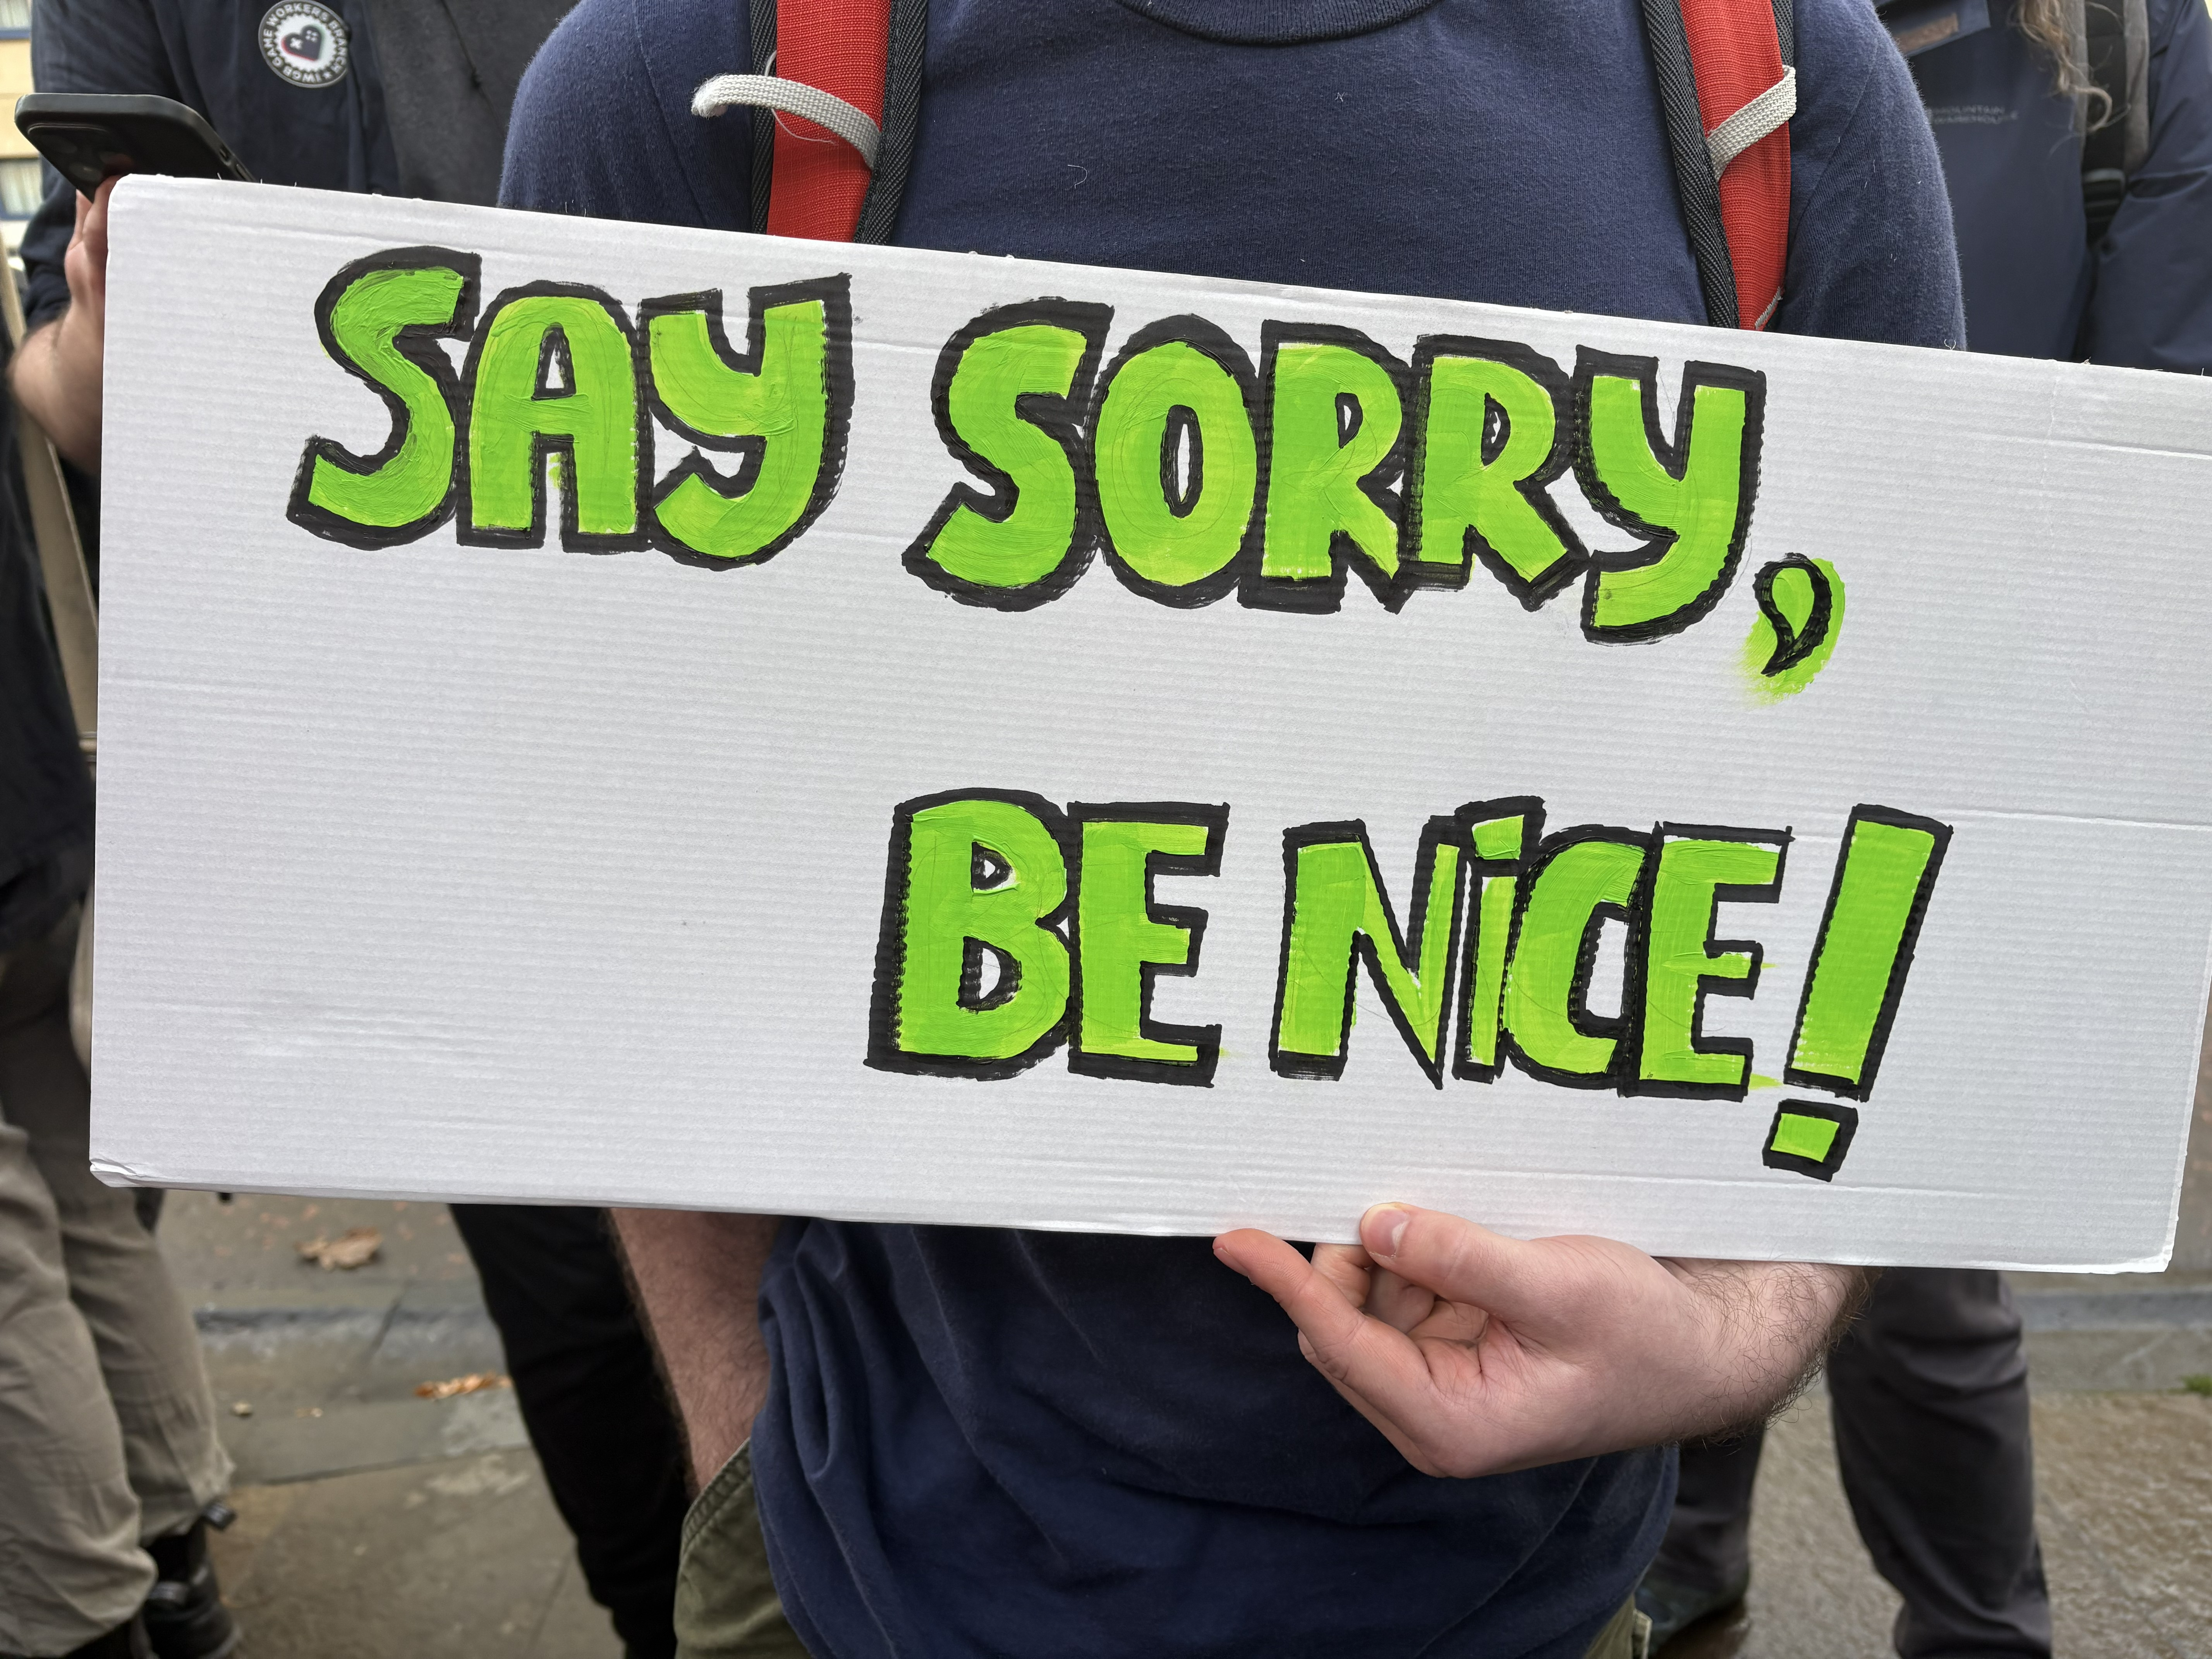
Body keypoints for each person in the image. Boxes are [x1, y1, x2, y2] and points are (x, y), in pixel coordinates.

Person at [498, 1, 1968, 1654]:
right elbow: (621, 842)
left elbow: (1899, 854)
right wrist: (739, 1457)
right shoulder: (694, 75)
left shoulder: (1767, 78)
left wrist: (1736, 1338)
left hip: (1530, 1595)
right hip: (858, 1573)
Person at [4, 5, 694, 1656]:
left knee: (825, 1270)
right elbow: (64, 385)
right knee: (581, 1301)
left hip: (711, 728)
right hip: (418, 794)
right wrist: (120, 323)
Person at [1639, 2, 2212, 1652]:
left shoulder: (2127, 42)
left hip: (1980, 702)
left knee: (1911, 1233)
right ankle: (1688, 1557)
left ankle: (1978, 1623)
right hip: (1691, 679)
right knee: (1675, 1138)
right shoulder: (1671, 30)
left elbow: (2162, 419)